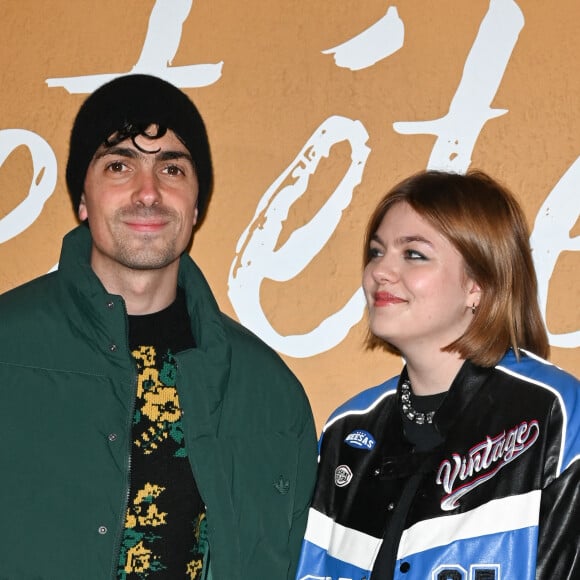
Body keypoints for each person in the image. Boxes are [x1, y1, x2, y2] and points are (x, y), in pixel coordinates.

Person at [0, 74, 317, 579]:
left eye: (172, 168)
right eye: (119, 165)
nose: (148, 192)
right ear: (83, 199)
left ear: (197, 205)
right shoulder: (7, 349)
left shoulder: (269, 393)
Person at [295, 170, 580, 580]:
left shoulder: (554, 411)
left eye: (413, 254)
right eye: (376, 252)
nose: (380, 272)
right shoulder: (347, 428)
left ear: (477, 285)